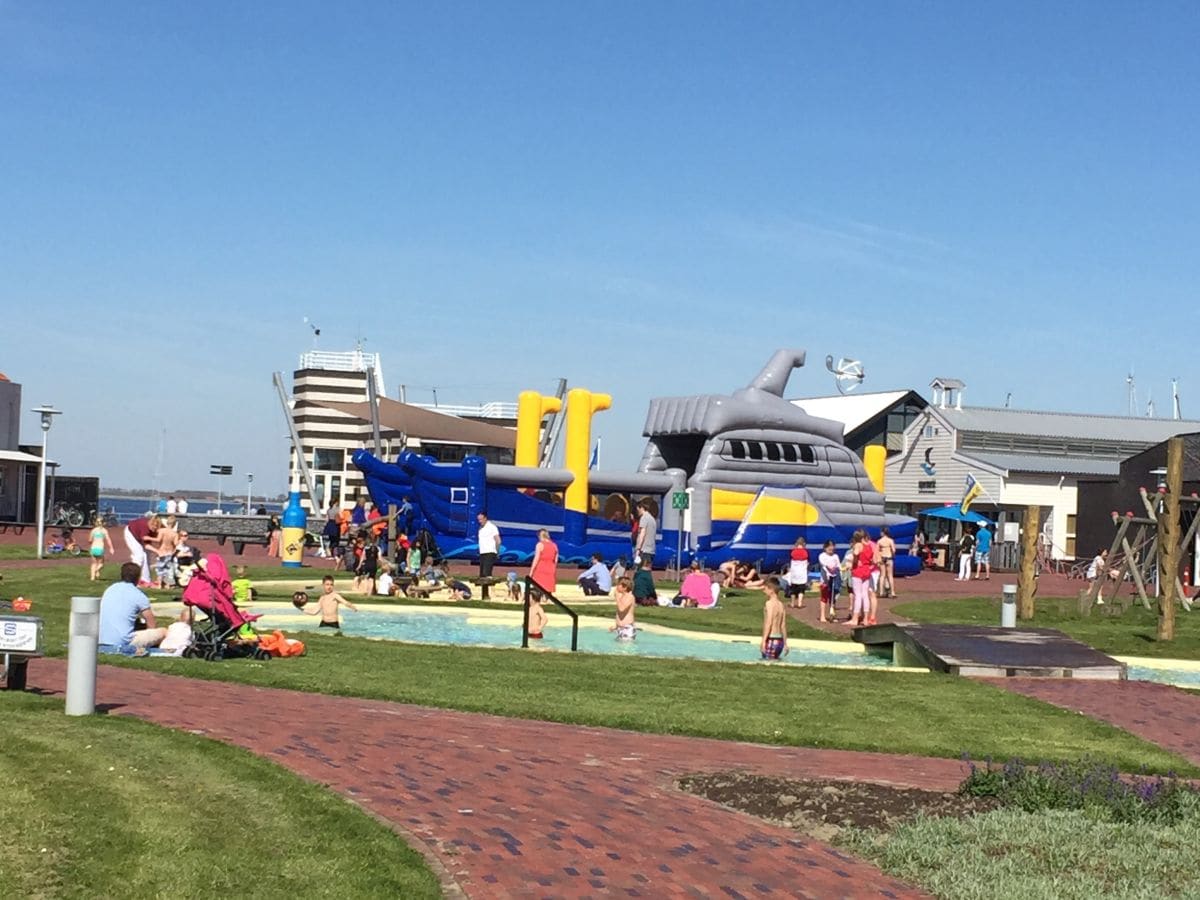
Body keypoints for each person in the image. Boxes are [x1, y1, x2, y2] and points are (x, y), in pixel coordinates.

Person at [98, 562, 167, 654]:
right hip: (123, 642)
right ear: (138, 578)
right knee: (163, 632)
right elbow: (151, 624)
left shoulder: (110, 589)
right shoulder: (139, 595)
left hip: (102, 639)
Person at [846, 529, 874, 628]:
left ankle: (855, 618)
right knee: (865, 595)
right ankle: (866, 618)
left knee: (857, 595)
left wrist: (854, 559)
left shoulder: (857, 545)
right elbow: (871, 559)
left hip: (858, 571)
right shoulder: (869, 546)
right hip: (867, 570)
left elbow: (856, 553)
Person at [123, 514, 159, 586]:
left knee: (147, 557)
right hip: (131, 533)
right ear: (151, 524)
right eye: (153, 527)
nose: (155, 529)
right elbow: (146, 545)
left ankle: (145, 580)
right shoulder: (144, 527)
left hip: (139, 535)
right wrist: (158, 551)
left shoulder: (156, 529)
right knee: (139, 556)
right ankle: (133, 579)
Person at [760, 576, 788, 660]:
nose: (764, 591)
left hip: (771, 638)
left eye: (765, 589)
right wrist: (785, 643)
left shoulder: (769, 604)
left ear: (771, 590)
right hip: (780, 640)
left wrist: (764, 641)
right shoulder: (781, 605)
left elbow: (769, 623)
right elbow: (783, 625)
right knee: (775, 660)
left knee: (767, 662)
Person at [476, 512, 501, 599]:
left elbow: (498, 540)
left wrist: (497, 552)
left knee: (487, 574)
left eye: (481, 519)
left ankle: (488, 594)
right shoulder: (480, 528)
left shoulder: (492, 527)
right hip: (482, 552)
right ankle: (484, 594)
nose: (479, 521)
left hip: (490, 552)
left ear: (485, 518)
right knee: (482, 575)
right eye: (478, 519)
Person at [529, 528, 558, 596]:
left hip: (540, 568)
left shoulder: (540, 545)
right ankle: (547, 599)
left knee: (538, 586)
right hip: (550, 568)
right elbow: (555, 560)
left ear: (540, 536)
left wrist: (531, 571)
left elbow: (536, 559)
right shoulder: (554, 545)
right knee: (548, 588)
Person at [152, 516, 179, 588]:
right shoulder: (175, 534)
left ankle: (159, 584)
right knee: (168, 569)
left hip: (162, 551)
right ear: (174, 524)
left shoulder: (161, 531)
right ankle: (167, 584)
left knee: (160, 568)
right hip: (170, 552)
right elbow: (176, 544)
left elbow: (158, 539)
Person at [817, 539, 841, 623]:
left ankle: (832, 614)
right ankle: (822, 616)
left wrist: (839, 569)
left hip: (834, 578)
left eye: (832, 548)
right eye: (829, 548)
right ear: (825, 548)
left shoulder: (835, 556)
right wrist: (829, 568)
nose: (831, 550)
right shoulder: (822, 556)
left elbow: (838, 565)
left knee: (833, 597)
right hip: (825, 579)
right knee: (824, 597)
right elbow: (824, 564)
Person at [88, 517, 115, 582]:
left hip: (93, 548)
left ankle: (92, 577)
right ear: (103, 523)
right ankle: (96, 570)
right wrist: (111, 548)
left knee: (93, 563)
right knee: (101, 563)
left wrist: (91, 542)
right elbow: (108, 539)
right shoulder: (104, 531)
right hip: (100, 548)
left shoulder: (93, 530)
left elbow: (89, 540)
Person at [786, 536, 809, 610]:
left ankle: (792, 603)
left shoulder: (793, 552)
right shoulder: (806, 552)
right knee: (801, 589)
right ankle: (800, 603)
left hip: (794, 573)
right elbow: (808, 562)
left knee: (793, 589)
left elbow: (790, 560)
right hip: (802, 573)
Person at [611, 576, 636, 640]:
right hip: (620, 628)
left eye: (618, 585)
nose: (616, 587)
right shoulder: (622, 597)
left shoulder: (630, 597)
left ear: (625, 587)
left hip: (627, 628)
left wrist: (617, 596)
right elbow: (619, 614)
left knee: (625, 648)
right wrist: (616, 626)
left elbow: (621, 609)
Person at [634, 500, 657, 566]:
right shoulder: (652, 519)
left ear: (641, 508)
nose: (637, 511)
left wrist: (638, 549)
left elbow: (642, 534)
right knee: (647, 570)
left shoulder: (644, 518)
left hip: (644, 550)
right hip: (651, 550)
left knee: (640, 571)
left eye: (637, 509)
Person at [877, 526, 896, 599]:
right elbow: (894, 550)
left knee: (882, 575)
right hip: (889, 558)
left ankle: (881, 592)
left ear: (883, 533)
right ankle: (892, 592)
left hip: (882, 558)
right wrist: (892, 555)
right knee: (890, 575)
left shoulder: (879, 541)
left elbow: (877, 551)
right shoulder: (890, 540)